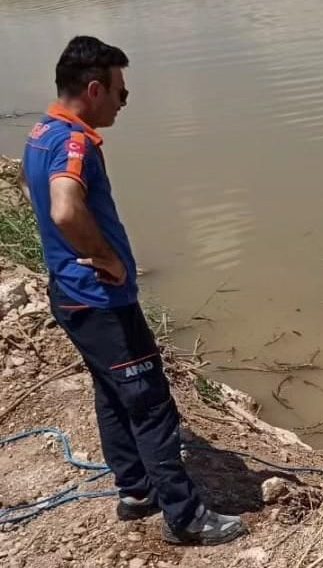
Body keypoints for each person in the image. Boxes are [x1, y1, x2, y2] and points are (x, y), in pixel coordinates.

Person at [22, 36, 246, 545]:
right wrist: (105, 258)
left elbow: (44, 199)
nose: (125, 102)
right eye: (121, 93)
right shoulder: (73, 143)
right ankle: (185, 517)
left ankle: (136, 490)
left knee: (111, 391)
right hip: (98, 298)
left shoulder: (41, 132)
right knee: (149, 402)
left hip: (70, 293)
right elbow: (64, 207)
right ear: (95, 89)